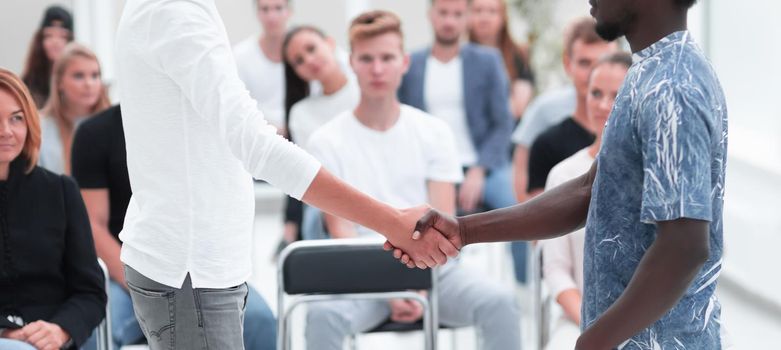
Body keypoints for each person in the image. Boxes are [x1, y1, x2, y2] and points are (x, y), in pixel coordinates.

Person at [115, 1, 456, 349]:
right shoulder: (175, 14)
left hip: (201, 264)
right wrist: (392, 221)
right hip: (190, 270)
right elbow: (258, 147)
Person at [395, 0, 729, 348]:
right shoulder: (647, 72)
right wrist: (463, 230)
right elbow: (590, 189)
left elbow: (684, 246)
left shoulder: (672, 88)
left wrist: (593, 342)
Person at [305, 11, 520, 350]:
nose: (377, 69)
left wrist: (415, 282)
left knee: (501, 302)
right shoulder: (326, 141)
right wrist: (390, 287)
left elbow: (443, 225)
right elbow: (342, 233)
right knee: (321, 317)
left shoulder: (433, 132)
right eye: (367, 59)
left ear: (404, 62)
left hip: (435, 272)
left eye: (387, 58)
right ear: (352, 63)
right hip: (362, 276)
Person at [71, 105, 278, 350]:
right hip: (128, 268)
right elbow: (94, 225)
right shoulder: (97, 133)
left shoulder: (202, 129)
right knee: (95, 329)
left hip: (205, 271)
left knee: (261, 320)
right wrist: (137, 281)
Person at [0, 68, 105, 350]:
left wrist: (60, 330)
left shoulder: (60, 191)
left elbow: (90, 291)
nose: (6, 132)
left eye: (16, 118)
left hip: (52, 340)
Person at [541, 52, 631, 350]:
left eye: (615, 95)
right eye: (596, 93)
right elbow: (555, 270)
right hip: (581, 322)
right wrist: (593, 327)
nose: (603, 105)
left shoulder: (655, 173)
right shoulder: (563, 174)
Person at [399, 0, 515, 216]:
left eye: (457, 14)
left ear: (468, 17)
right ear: (431, 15)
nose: (449, 21)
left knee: (519, 217)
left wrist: (479, 170)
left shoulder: (488, 61)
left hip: (480, 163)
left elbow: (503, 123)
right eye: (443, 13)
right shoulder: (411, 64)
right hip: (425, 167)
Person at [38, 43, 110, 175]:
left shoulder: (114, 125)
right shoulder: (40, 126)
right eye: (79, 76)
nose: (89, 84)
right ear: (59, 82)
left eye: (95, 75)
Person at [468, 0, 534, 122]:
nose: (484, 17)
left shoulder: (518, 55)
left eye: (492, 11)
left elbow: (518, 107)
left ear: (503, 17)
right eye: (478, 10)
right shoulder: (460, 55)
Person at [233, 0, 292, 133]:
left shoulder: (302, 51)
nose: (271, 16)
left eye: (278, 8)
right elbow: (239, 104)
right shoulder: (241, 55)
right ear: (257, 14)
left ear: (289, 12)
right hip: (259, 135)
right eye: (265, 9)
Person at [21, 5, 74, 108]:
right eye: (49, 36)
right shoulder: (28, 82)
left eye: (62, 36)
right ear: (40, 41)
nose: (55, 42)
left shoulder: (79, 78)